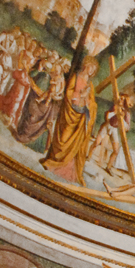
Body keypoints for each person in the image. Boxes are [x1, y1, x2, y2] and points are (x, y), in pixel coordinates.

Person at [41, 56, 98, 184]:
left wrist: (88, 102)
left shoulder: (90, 85)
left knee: (76, 144)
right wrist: (77, 97)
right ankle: (54, 163)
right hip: (71, 112)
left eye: (93, 70)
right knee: (64, 137)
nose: (90, 71)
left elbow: (93, 103)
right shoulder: (76, 77)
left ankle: (69, 172)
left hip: (81, 117)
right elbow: (68, 92)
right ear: (86, 65)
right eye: (90, 67)